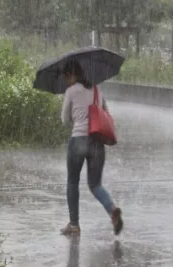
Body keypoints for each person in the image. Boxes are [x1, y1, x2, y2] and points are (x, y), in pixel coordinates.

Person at [59, 59, 123, 236]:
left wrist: (76, 118)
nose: (66, 82)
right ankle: (112, 210)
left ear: (69, 75)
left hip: (78, 140)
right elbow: (105, 114)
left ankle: (74, 225)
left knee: (72, 182)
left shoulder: (71, 91)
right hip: (97, 142)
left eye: (66, 78)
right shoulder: (97, 90)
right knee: (95, 184)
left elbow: (64, 120)